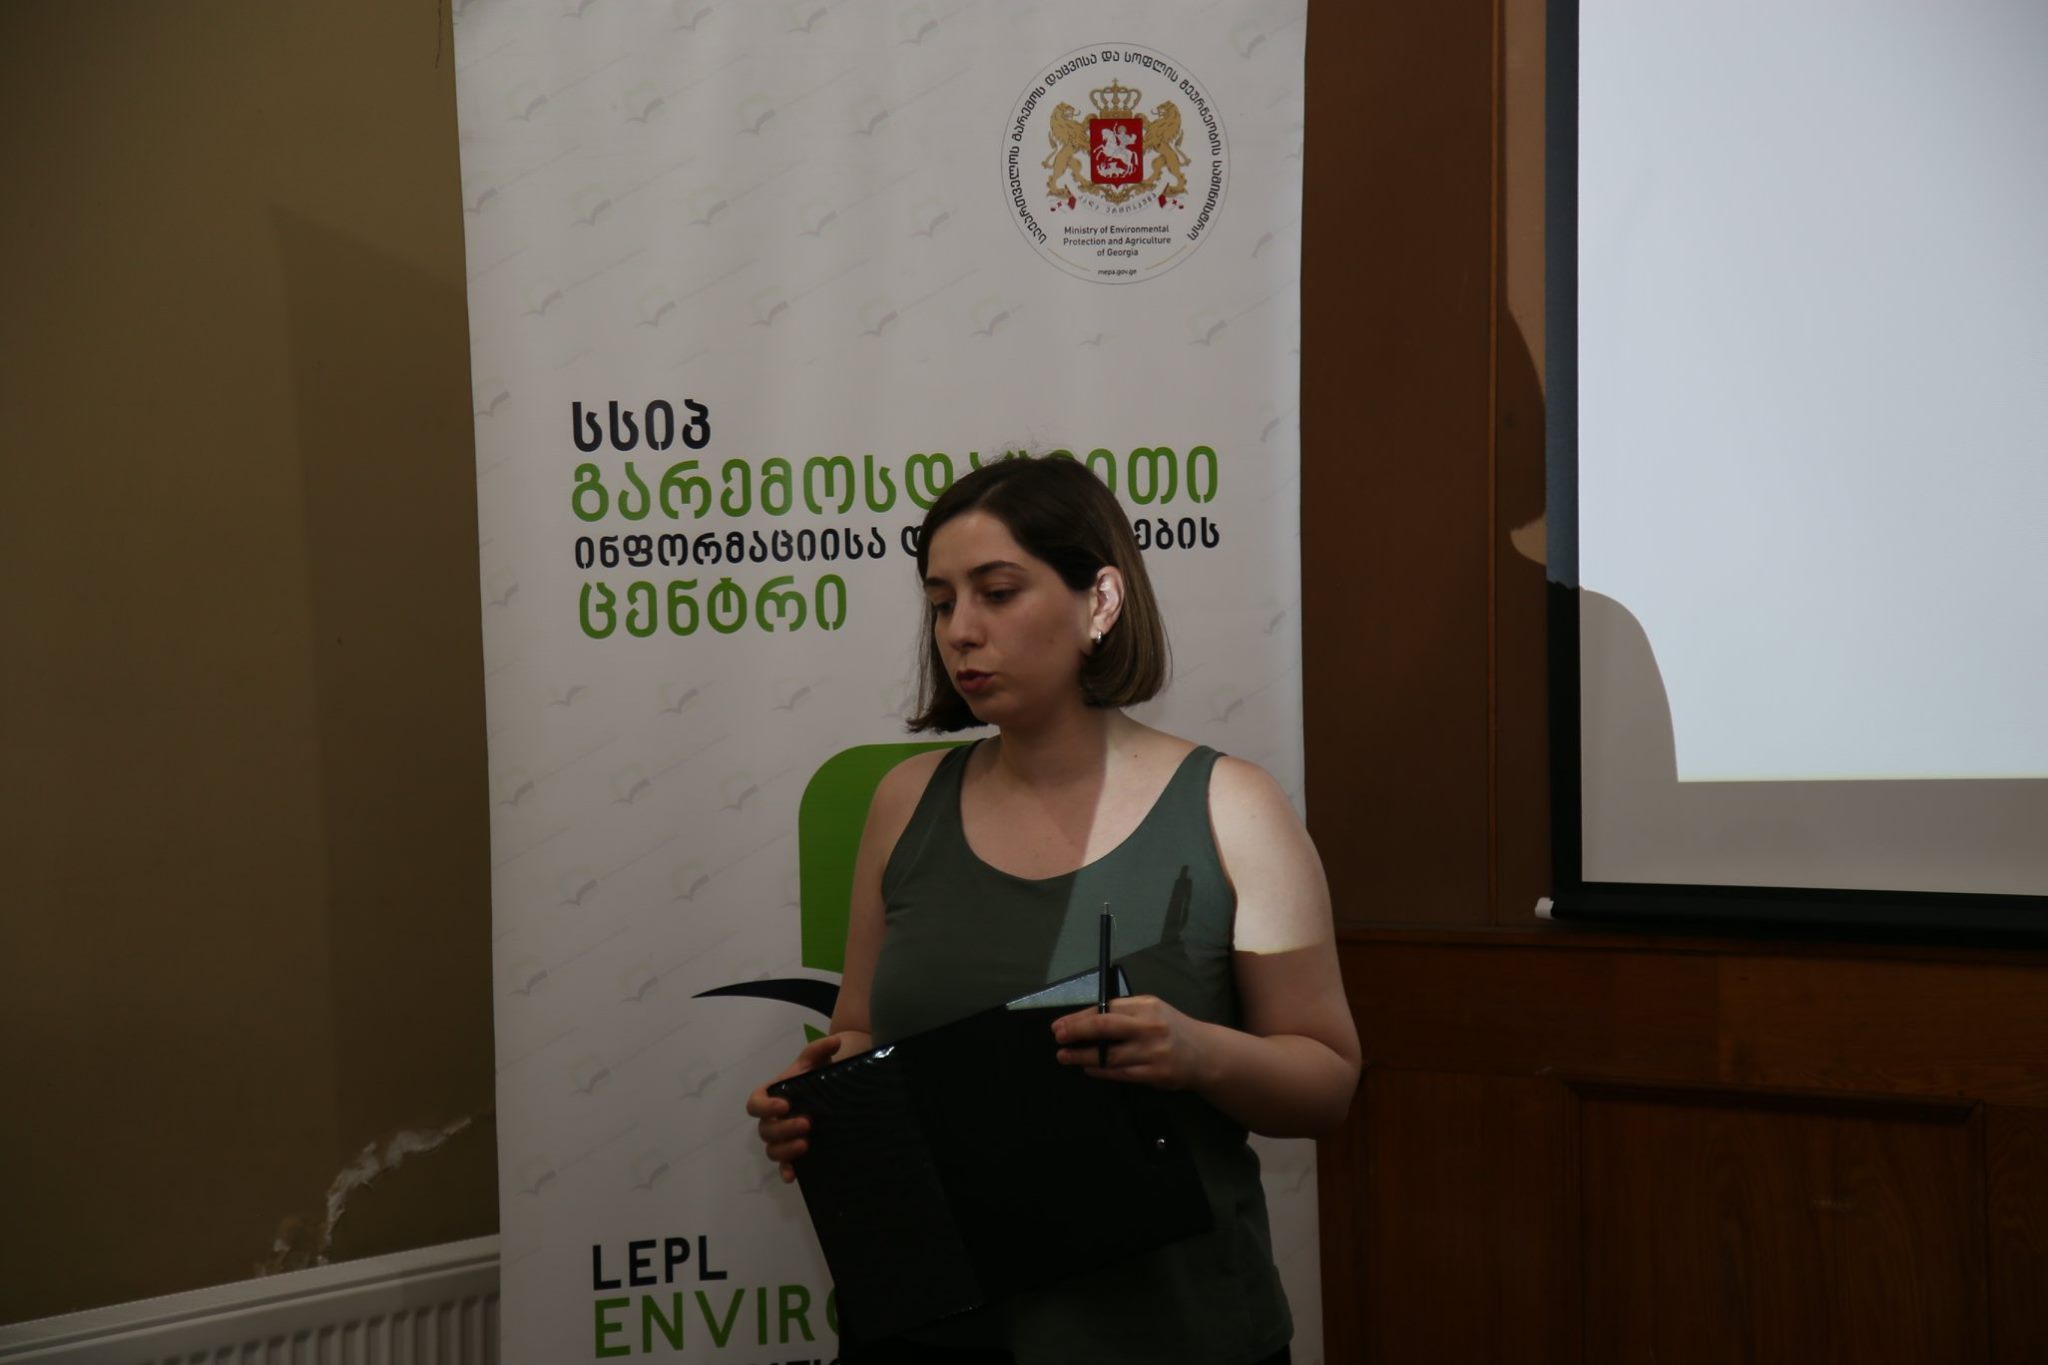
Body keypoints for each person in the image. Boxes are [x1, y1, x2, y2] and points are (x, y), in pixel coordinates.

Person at [746, 455, 1360, 1365]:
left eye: (997, 593)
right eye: (941, 602)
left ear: (1100, 601)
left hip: (1169, 1336)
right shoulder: (904, 802)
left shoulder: (1233, 807)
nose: (961, 631)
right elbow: (862, 1028)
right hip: (931, 1327)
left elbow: (1329, 1080)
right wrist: (822, 1094)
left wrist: (1195, 1051)